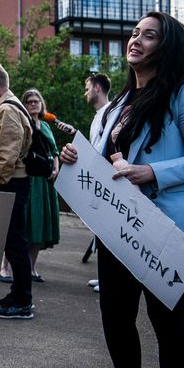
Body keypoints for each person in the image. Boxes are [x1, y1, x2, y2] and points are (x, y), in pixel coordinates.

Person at [59, 11, 184, 368]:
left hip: (166, 225)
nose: (137, 41)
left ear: (167, 48)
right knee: (115, 312)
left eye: (150, 36)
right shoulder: (117, 105)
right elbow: (107, 159)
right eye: (135, 33)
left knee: (167, 320)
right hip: (119, 226)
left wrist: (152, 171)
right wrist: (77, 157)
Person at [0, 66, 35, 319]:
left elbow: (6, 157)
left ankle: (22, 301)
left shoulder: (7, 109)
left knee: (15, 244)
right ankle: (18, 295)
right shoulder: (12, 105)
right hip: (14, 183)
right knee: (14, 242)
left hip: (11, 184)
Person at [22, 88, 60, 282]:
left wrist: (56, 168)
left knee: (39, 225)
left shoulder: (45, 126)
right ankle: (5, 268)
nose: (34, 104)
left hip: (44, 182)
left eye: (36, 101)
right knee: (23, 224)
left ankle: (31, 268)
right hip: (28, 179)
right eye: (29, 101)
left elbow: (54, 151)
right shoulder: (23, 123)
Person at [85, 73, 112, 292]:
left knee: (108, 232)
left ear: (97, 88)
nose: (85, 92)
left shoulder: (109, 114)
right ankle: (104, 276)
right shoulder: (98, 116)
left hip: (105, 182)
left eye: (87, 88)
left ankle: (109, 280)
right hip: (97, 181)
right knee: (100, 232)